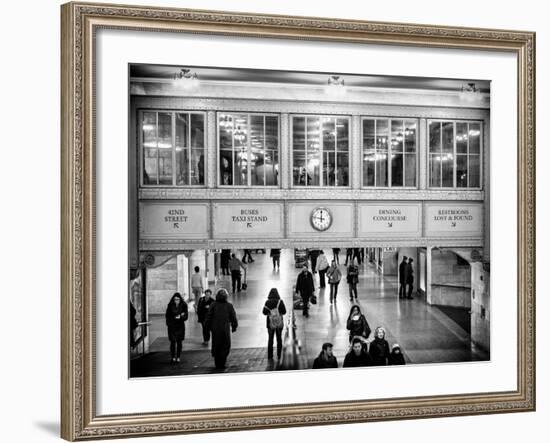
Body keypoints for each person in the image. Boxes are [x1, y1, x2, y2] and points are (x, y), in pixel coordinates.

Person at [205, 288, 238, 369]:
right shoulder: (229, 306)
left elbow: (209, 316)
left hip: (215, 329)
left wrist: (207, 327)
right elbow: (233, 317)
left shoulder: (213, 305)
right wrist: (234, 326)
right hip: (225, 329)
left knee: (216, 345)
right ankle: (222, 362)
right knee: (225, 345)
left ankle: (217, 362)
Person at [262, 288, 287, 360]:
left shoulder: (267, 302)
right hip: (279, 323)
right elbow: (284, 312)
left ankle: (270, 356)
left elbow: (264, 312)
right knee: (279, 339)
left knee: (270, 339)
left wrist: (270, 313)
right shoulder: (280, 301)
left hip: (270, 324)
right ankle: (279, 355)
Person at [165, 293, 188, 363]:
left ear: (180, 299)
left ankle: (178, 357)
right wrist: (169, 323)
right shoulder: (170, 305)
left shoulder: (184, 305)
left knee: (179, 342)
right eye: (175, 299)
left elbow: (186, 316)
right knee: (172, 342)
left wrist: (181, 317)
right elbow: (167, 315)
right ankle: (172, 357)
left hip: (180, 326)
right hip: (172, 326)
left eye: (177, 299)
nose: (176, 301)